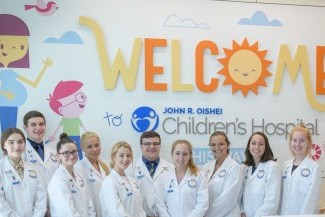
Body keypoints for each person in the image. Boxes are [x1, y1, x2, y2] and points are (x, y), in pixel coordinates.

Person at [0, 128, 47, 216]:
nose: (17, 146)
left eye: (20, 142)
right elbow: (1, 204)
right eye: (11, 142)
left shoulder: (33, 168)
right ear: (3, 145)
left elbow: (41, 198)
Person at [156, 139, 209, 217]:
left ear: (190, 156)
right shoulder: (164, 177)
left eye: (185, 154)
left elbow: (202, 204)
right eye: (177, 153)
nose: (181, 158)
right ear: (172, 154)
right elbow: (160, 203)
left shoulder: (199, 176)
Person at [48, 133, 96, 217]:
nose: (71, 156)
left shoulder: (79, 174)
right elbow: (67, 212)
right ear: (58, 156)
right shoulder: (58, 180)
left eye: (74, 152)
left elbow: (89, 203)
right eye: (66, 153)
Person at [22, 110, 59, 216]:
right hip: (33, 209)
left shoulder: (53, 152)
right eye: (33, 124)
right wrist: (41, 208)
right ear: (25, 128)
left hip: (54, 208)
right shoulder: (21, 153)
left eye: (41, 124)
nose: (38, 128)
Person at [128, 131, 173, 217]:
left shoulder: (171, 168)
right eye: (147, 143)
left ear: (160, 146)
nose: (152, 147)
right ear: (141, 146)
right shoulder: (131, 169)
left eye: (155, 143)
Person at [280, 125, 321, 215]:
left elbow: (312, 200)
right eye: (294, 140)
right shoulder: (285, 166)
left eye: (302, 140)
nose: (297, 144)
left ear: (308, 143)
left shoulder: (314, 167)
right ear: (291, 142)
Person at [202, 131, 243, 217]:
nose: (217, 147)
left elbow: (227, 200)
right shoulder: (206, 167)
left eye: (221, 144)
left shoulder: (234, 168)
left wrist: (206, 215)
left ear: (227, 145)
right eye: (213, 144)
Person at [100, 141, 146, 217]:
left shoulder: (132, 181)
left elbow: (139, 207)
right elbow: (116, 212)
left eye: (128, 156)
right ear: (113, 157)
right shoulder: (109, 182)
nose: (125, 159)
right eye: (121, 155)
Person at [241, 132, 281, 217]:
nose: (257, 147)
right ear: (249, 146)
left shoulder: (273, 167)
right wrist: (242, 211)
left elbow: (272, 201)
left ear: (266, 147)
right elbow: (241, 194)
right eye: (253, 143)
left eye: (261, 144)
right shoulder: (244, 168)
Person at [75, 131, 109, 217]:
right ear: (82, 148)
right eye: (89, 147)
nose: (94, 149)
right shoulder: (78, 168)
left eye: (97, 145)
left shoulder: (104, 166)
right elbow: (80, 198)